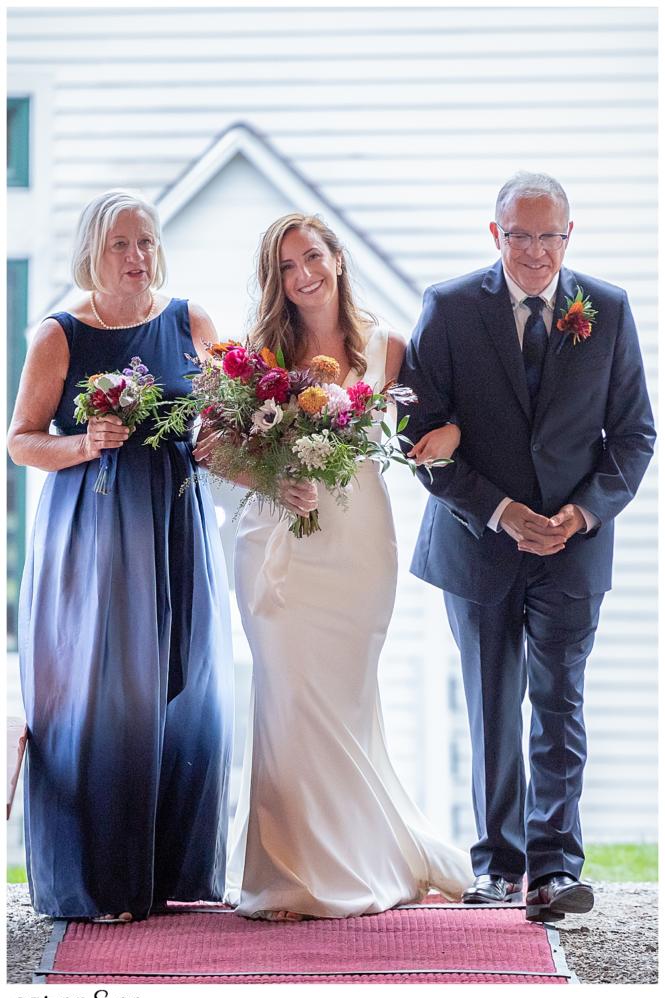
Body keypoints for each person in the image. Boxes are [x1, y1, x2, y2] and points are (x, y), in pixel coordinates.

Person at [197, 212, 472, 920]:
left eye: (312, 256)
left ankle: (362, 857)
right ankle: (288, 875)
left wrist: (448, 435)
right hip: (277, 550)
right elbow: (209, 448)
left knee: (346, 708)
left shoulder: (389, 349)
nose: (303, 275)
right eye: (287, 267)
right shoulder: (252, 356)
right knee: (287, 701)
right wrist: (271, 479)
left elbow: (439, 426)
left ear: (338, 259)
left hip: (356, 553)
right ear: (276, 280)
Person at [398, 172, 655, 922]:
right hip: (476, 543)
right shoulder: (447, 309)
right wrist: (502, 511)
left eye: (549, 235)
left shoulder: (604, 309)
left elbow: (634, 434)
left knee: (557, 701)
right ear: (494, 234)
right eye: (519, 235)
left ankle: (552, 870)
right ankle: (494, 866)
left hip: (571, 549)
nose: (535, 251)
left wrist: (578, 515)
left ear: (568, 236)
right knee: (491, 705)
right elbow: (420, 437)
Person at [8, 190, 234, 922]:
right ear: (91, 253)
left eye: (145, 242)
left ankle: (173, 873)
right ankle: (101, 881)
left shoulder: (188, 321)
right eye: (119, 245)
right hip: (95, 533)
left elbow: (231, 415)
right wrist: (82, 443)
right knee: (102, 693)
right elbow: (20, 440)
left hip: (173, 520)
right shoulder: (60, 335)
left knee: (183, 683)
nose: (136, 258)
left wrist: (215, 440)